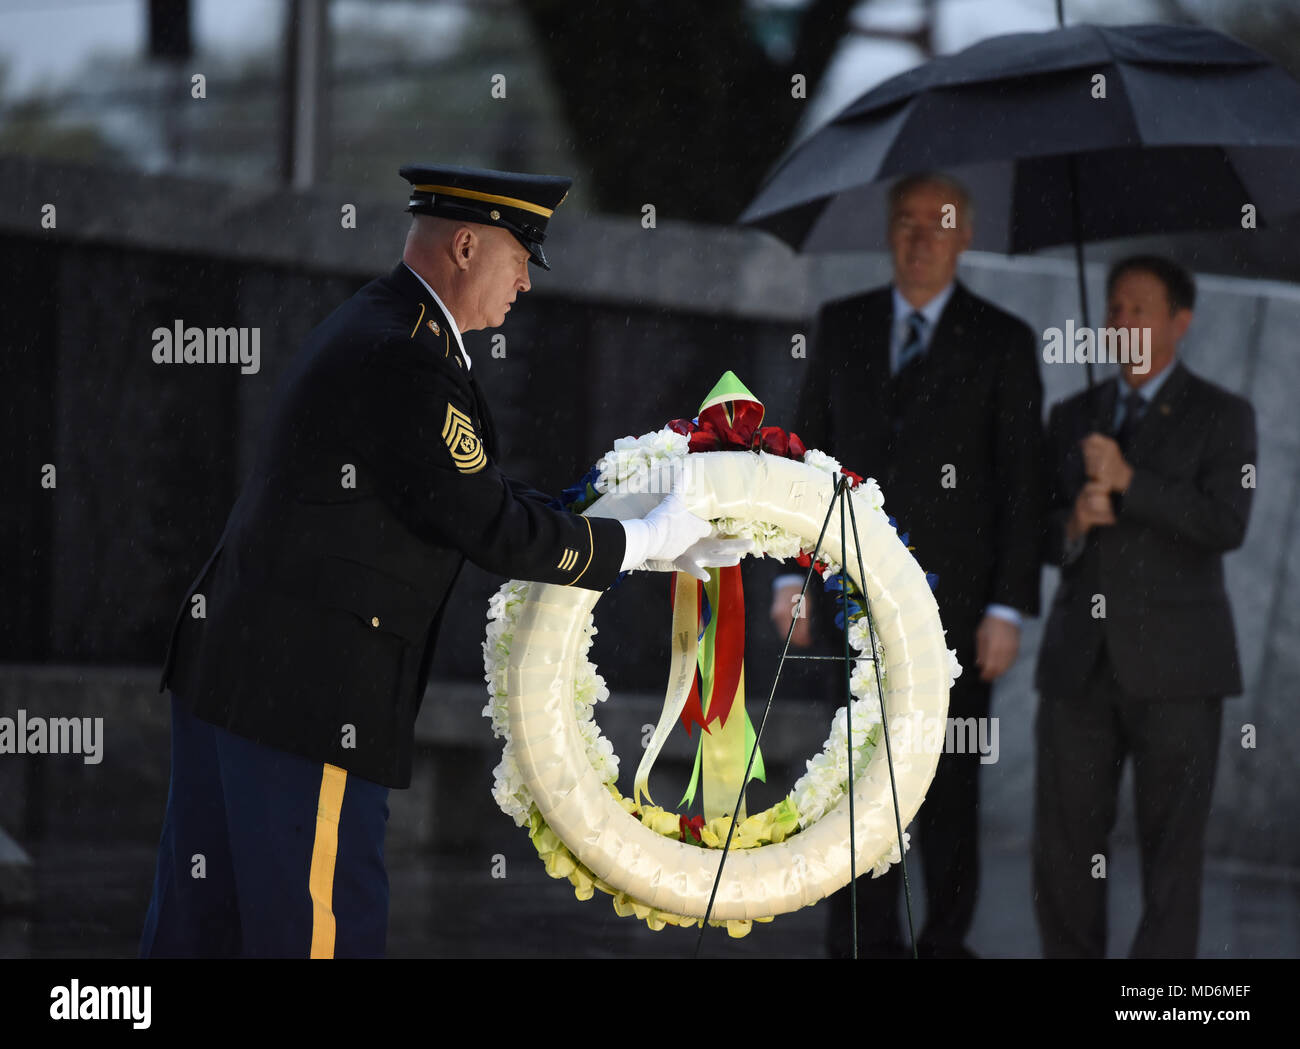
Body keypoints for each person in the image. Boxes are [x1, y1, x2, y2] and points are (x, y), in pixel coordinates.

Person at [140, 164, 746, 958]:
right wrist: (645, 540)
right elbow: (485, 522)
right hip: (307, 697)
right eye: (520, 257)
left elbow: (458, 489)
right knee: (317, 932)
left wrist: (630, 528)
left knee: (202, 928)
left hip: (236, 674)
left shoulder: (384, 322)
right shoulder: (408, 359)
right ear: (465, 245)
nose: (526, 283)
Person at [772, 172, 1043, 959]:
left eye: (940, 222)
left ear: (966, 235)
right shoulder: (842, 324)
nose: (920, 238)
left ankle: (945, 946)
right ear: (888, 232)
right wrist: (793, 579)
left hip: (960, 615)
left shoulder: (1003, 340)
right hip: (854, 604)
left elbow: (1024, 485)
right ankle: (861, 943)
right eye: (906, 222)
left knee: (950, 785)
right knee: (859, 784)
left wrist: (1009, 607)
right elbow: (805, 462)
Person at [1033, 255, 1256, 958]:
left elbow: (1227, 522)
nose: (1123, 321)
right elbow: (1033, 531)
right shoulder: (1073, 415)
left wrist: (1132, 481)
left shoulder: (1223, 415)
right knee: (1064, 849)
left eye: (1140, 309)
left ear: (1179, 322)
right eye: (1115, 307)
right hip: (1079, 670)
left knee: (1171, 856)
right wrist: (1072, 523)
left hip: (1181, 673)